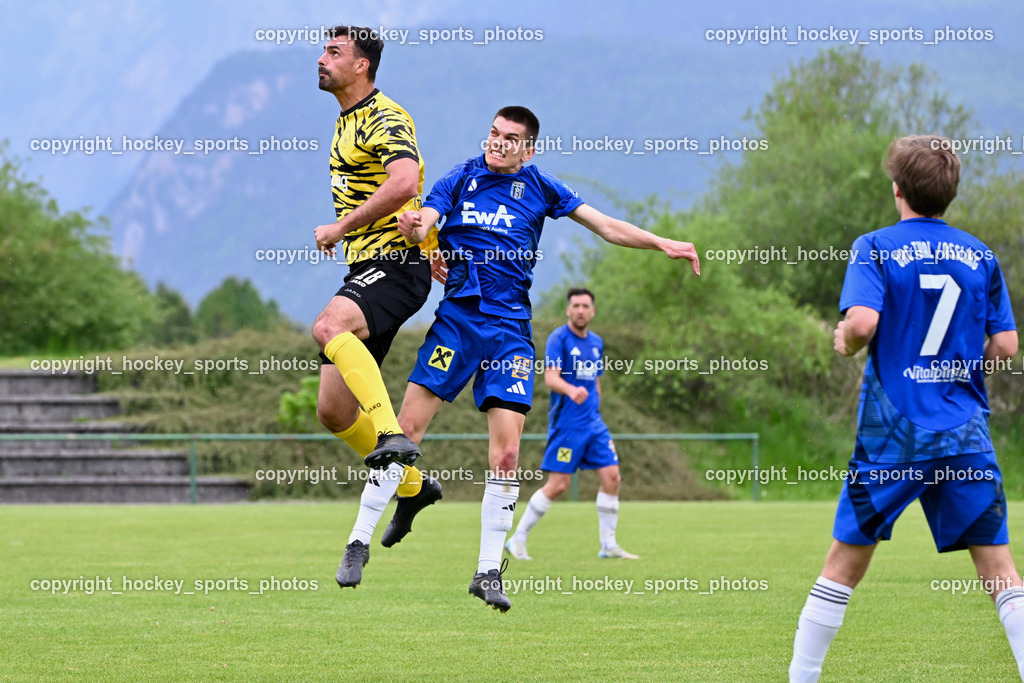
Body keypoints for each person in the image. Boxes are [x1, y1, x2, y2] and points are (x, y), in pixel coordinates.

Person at [373, 105, 700, 612]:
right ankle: (375, 526)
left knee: (509, 459)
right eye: (494, 134)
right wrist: (418, 230)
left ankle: (489, 569)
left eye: (510, 138)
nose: (498, 143)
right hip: (459, 325)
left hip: (510, 335)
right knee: (406, 430)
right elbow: (426, 222)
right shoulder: (461, 175)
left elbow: (607, 227)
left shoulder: (543, 187)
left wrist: (662, 243)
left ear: (529, 148)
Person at [788, 135, 1022, 682]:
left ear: (897, 190)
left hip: (893, 434)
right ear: (951, 194)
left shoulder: (874, 246)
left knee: (843, 565)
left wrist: (844, 338)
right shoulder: (980, 254)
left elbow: (863, 325)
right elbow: (1007, 345)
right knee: (1000, 572)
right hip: (964, 431)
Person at [309, 25, 443, 590]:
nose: (321, 60)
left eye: (334, 53)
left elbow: (407, 181)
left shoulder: (385, 116)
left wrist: (342, 225)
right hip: (370, 269)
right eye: (323, 50)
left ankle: (393, 439)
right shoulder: (346, 118)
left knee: (328, 323)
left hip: (394, 266)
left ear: (362, 66)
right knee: (334, 412)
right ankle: (413, 488)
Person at [505, 287, 639, 561]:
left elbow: (595, 379)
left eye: (585, 306)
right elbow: (551, 378)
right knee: (559, 485)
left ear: (593, 311)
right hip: (567, 425)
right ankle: (517, 540)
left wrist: (595, 401)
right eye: (575, 305)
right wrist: (570, 390)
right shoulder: (559, 339)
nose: (580, 310)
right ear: (568, 310)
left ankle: (608, 545)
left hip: (594, 424)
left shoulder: (596, 342)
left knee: (612, 478)